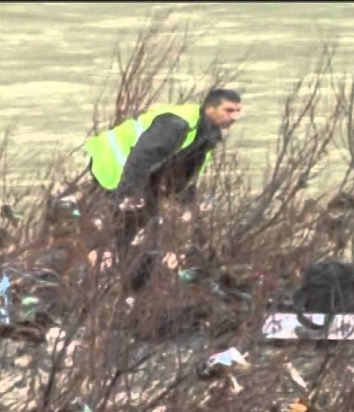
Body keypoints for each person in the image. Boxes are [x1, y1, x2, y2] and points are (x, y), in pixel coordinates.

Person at [82, 88, 242, 291]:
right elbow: (140, 157)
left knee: (146, 227)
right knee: (128, 226)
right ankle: (114, 281)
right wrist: (129, 194)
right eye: (228, 110)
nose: (234, 117)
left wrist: (185, 201)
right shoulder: (176, 124)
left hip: (139, 171)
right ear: (210, 108)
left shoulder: (207, 133)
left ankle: (131, 281)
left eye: (238, 111)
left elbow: (187, 170)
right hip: (114, 163)